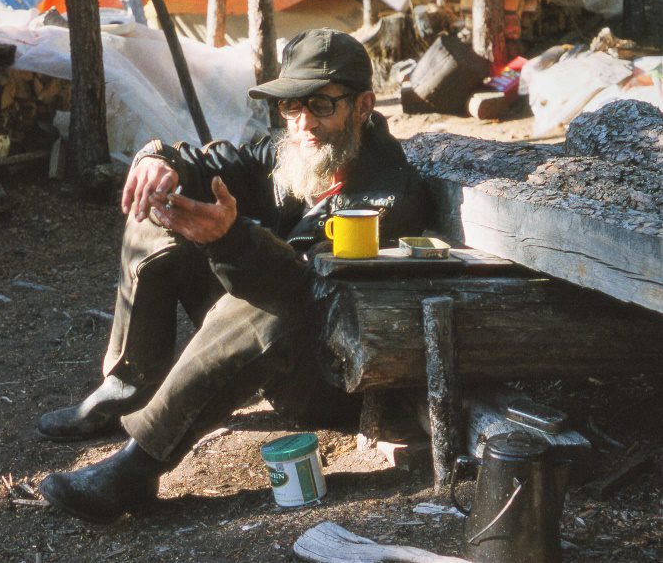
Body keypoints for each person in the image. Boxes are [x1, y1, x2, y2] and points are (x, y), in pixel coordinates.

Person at [37, 28, 427, 522]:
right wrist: (162, 162)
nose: (304, 123)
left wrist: (230, 237)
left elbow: (309, 292)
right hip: (278, 323)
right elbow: (215, 163)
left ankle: (138, 468)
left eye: (322, 105)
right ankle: (123, 389)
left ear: (364, 104)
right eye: (291, 107)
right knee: (157, 220)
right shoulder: (293, 152)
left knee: (263, 304)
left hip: (331, 371)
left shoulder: (387, 196)